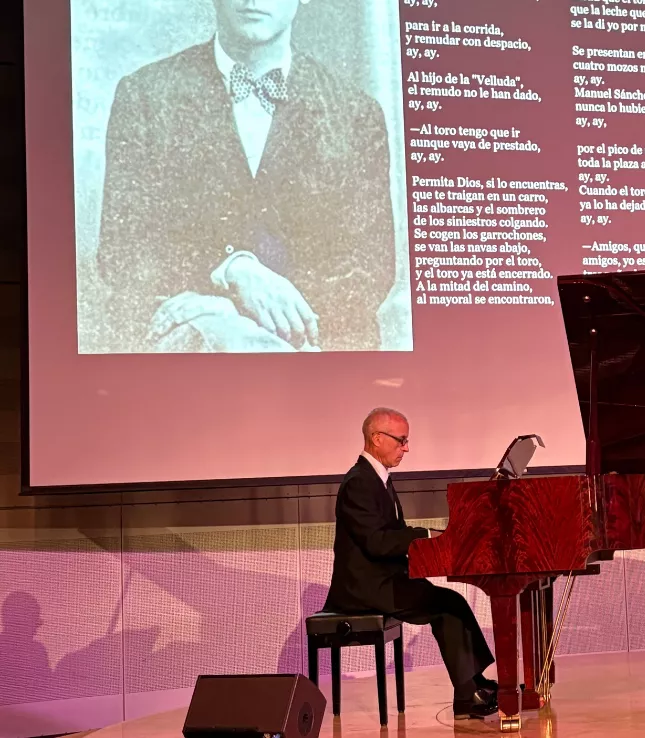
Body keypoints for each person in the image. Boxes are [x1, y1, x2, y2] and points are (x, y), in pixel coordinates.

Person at [96, 0, 395, 353]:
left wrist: (263, 321)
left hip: (319, 350)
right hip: (195, 346)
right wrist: (231, 271)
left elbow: (371, 268)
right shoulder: (146, 96)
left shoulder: (355, 114)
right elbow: (122, 251)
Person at [323, 408, 499, 720]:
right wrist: (424, 535)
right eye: (401, 441)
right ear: (377, 438)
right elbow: (376, 542)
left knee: (450, 601)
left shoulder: (376, 478)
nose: (406, 448)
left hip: (383, 579)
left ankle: (473, 685)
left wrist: (429, 538)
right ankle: (468, 692)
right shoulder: (359, 482)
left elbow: (390, 535)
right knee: (446, 604)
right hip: (364, 588)